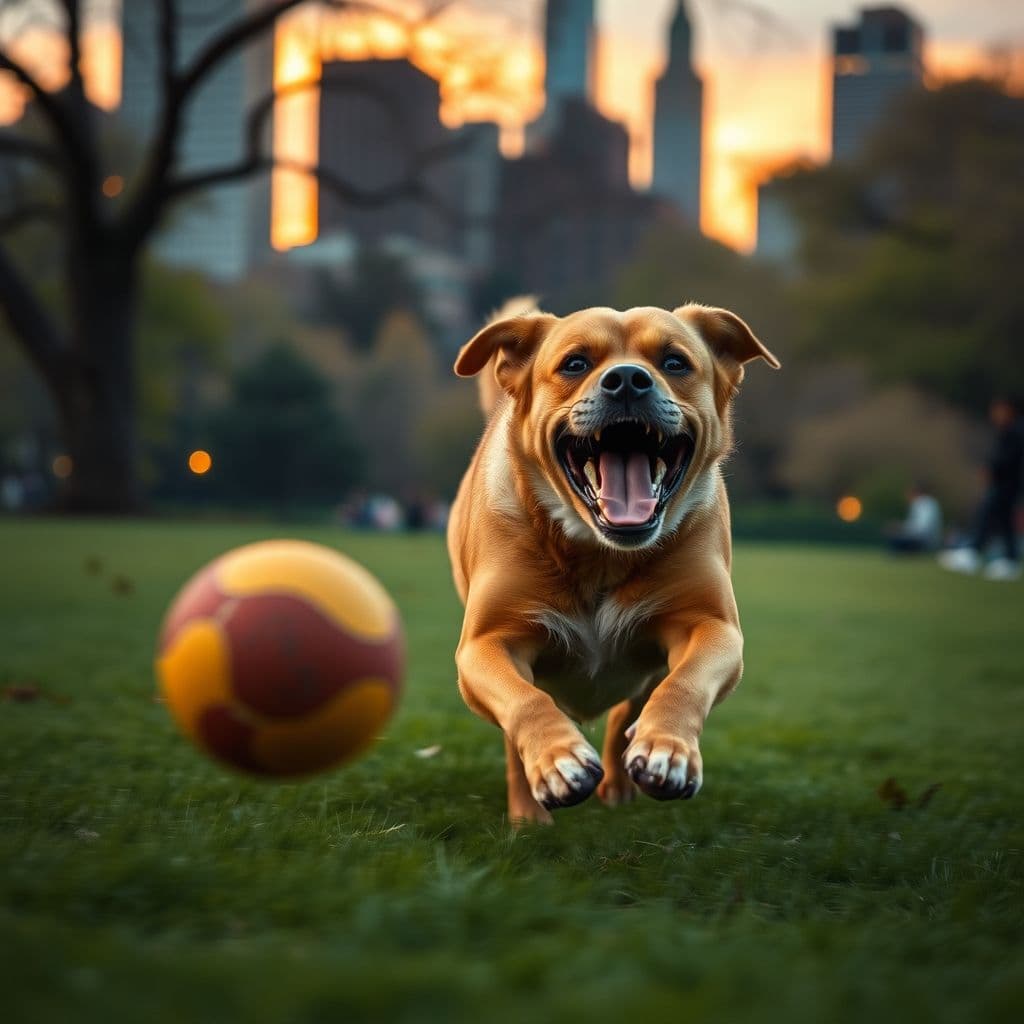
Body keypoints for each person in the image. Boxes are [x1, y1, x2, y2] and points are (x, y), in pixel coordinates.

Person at [939, 396, 1024, 580]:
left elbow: (1009, 459)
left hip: (1008, 485)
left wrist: (992, 469)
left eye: (999, 409)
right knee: (1004, 521)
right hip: (1006, 484)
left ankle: (972, 551)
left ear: (1009, 410)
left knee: (987, 513)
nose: (995, 414)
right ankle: (1010, 560)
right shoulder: (1009, 430)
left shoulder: (1016, 431)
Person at [886, 482, 942, 554]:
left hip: (924, 540)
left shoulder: (923, 504)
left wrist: (900, 527)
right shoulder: (927, 503)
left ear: (915, 493)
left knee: (894, 539)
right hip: (924, 538)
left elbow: (921, 528)